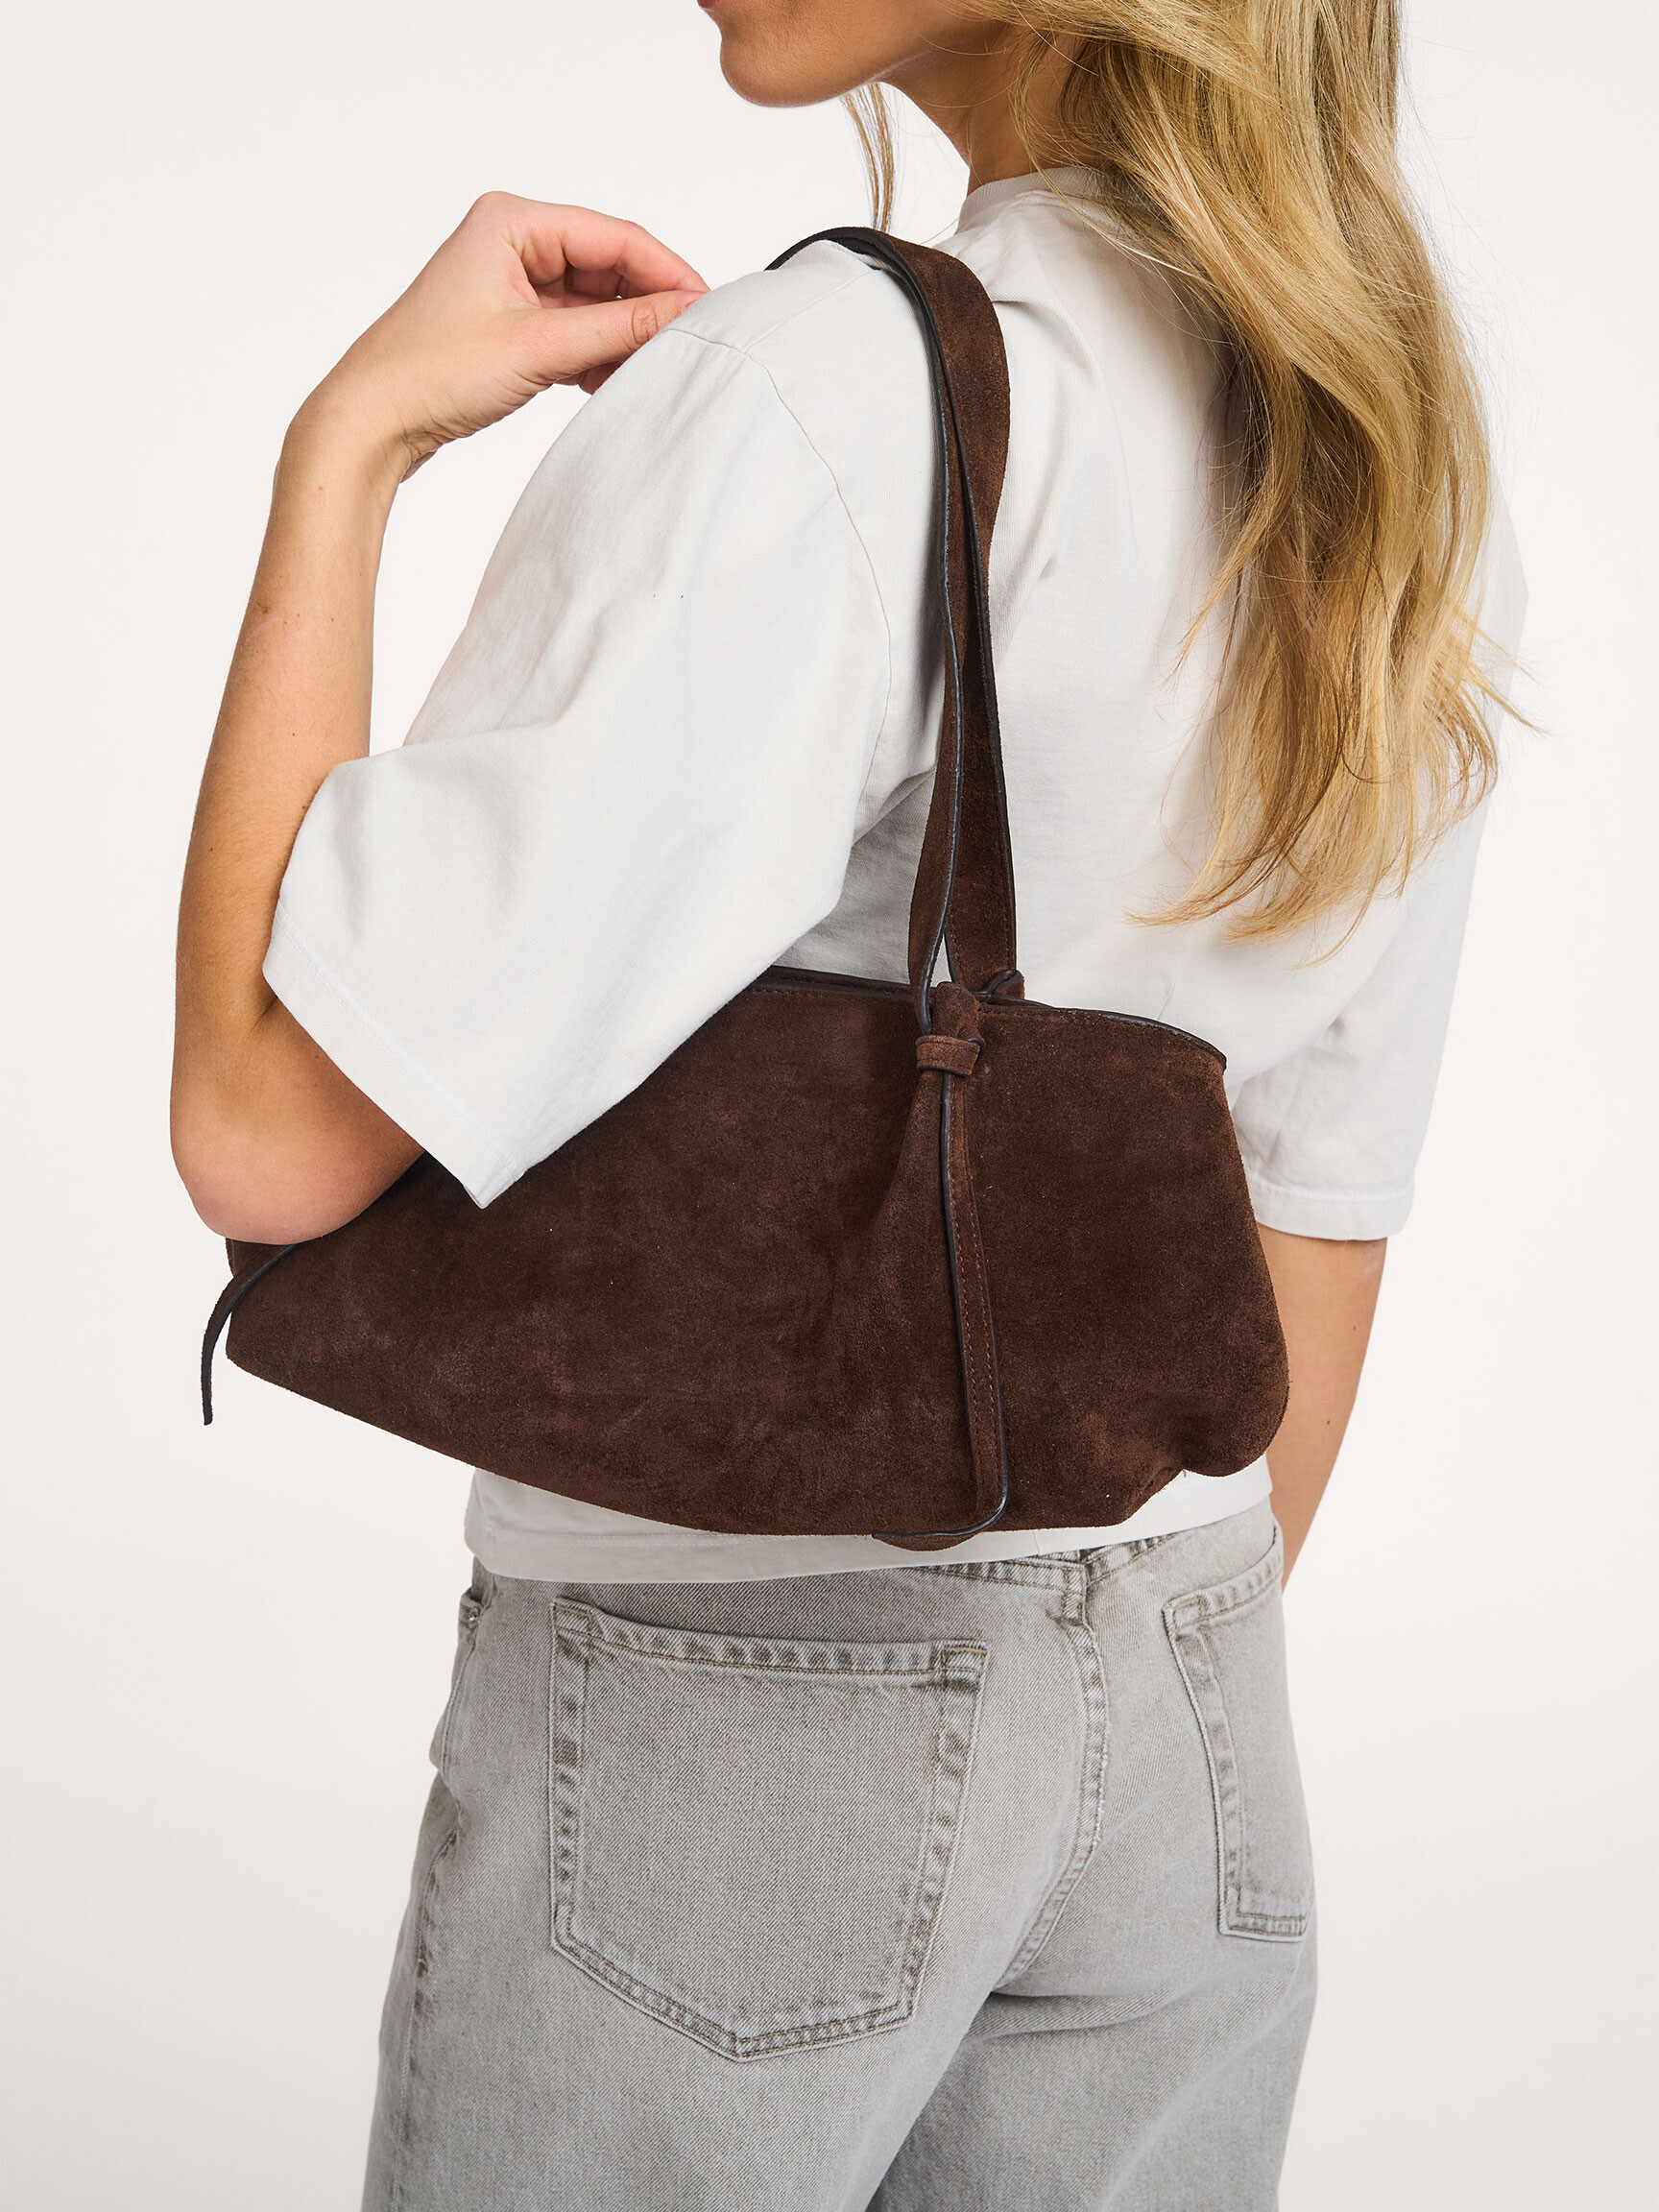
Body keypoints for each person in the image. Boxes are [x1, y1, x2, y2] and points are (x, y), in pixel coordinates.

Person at [171, 3, 1524, 2204]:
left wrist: (350, 446)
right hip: (1199, 1702)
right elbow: (1316, 1212)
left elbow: (265, 1124)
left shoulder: (831, 393)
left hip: (745, 1705)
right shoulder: (1374, 445)